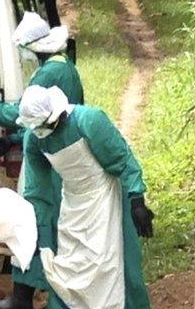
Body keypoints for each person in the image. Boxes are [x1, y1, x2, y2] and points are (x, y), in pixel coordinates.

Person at [0, 12, 84, 309]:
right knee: (48, 226)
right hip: (55, 153)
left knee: (31, 224)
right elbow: (45, 118)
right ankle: (33, 295)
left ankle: (22, 298)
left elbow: (22, 114)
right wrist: (14, 141)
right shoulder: (64, 67)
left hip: (46, 165)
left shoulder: (49, 73)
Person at [17, 85, 154, 309]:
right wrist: (38, 231)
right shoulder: (34, 140)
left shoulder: (89, 120)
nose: (41, 131)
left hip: (106, 198)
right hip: (73, 205)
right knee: (70, 270)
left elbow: (123, 159)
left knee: (119, 266)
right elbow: (36, 190)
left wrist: (136, 199)